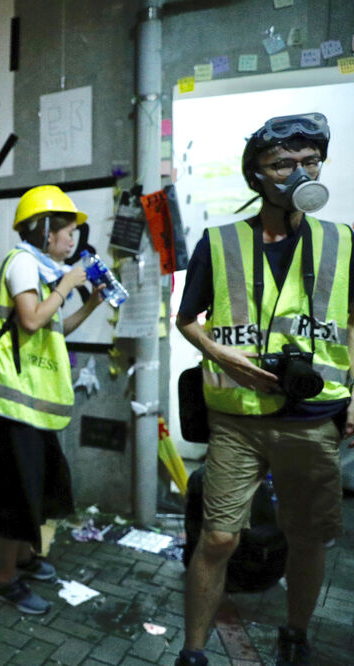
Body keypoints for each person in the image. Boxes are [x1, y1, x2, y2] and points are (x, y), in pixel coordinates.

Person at [175, 113, 352, 666]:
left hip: (314, 417)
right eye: (282, 164)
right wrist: (219, 353)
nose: (299, 173)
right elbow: (187, 320)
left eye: (310, 161)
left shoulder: (342, 240)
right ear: (256, 174)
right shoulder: (219, 242)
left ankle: (295, 634)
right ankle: (194, 651)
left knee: (307, 537)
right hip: (238, 418)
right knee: (219, 537)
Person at [0, 185, 105, 615]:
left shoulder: (40, 270)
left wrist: (92, 302)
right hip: (7, 405)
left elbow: (53, 327)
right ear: (44, 230)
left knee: (34, 487)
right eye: (67, 231)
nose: (72, 239)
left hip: (28, 404)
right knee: (16, 493)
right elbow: (30, 320)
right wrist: (66, 285)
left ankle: (25, 559)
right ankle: (5, 581)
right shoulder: (24, 263)